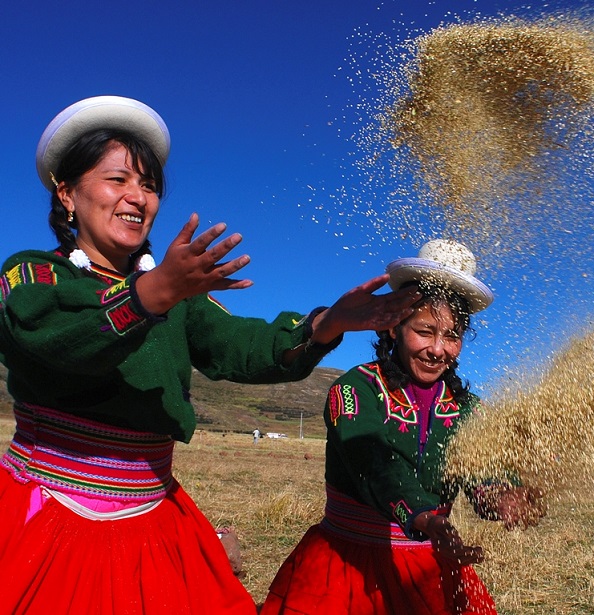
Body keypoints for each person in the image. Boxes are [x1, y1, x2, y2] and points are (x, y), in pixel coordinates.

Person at [0, 95, 419, 615]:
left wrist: (327, 323)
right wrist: (151, 295)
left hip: (154, 510)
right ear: (67, 193)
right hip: (48, 509)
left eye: (150, 185)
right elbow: (56, 337)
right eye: (118, 180)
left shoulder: (176, 297)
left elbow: (243, 347)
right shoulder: (36, 276)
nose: (139, 197)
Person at [262, 240, 547, 615]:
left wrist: (501, 497)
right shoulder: (356, 389)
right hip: (346, 565)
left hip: (430, 568)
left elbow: (481, 468)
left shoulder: (467, 409)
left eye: (452, 336)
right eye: (426, 331)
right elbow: (373, 461)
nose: (438, 350)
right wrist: (422, 516)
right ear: (394, 327)